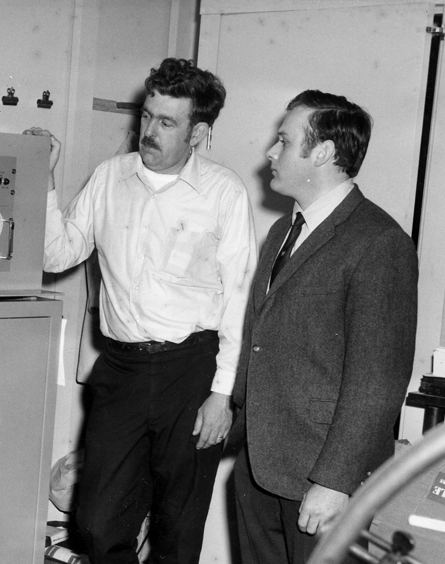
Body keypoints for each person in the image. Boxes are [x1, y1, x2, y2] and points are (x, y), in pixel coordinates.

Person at [25, 58, 257, 564]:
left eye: (166, 122)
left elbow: (241, 300)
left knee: (178, 524)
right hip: (123, 368)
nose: (148, 131)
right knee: (97, 518)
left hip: (191, 369)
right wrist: (44, 180)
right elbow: (57, 254)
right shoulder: (110, 177)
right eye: (147, 116)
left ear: (198, 131)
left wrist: (222, 394)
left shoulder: (223, 193)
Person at [231, 90, 418, 564]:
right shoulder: (282, 231)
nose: (271, 153)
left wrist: (335, 481)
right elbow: (262, 339)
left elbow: (377, 381)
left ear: (324, 153)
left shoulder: (379, 243)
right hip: (259, 470)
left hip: (321, 480)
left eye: (284, 141)